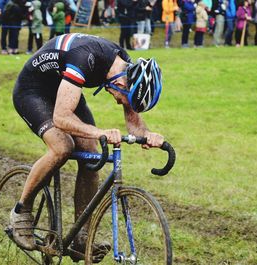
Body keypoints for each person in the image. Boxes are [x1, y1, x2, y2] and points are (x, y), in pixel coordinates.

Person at [10, 33, 164, 262]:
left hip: (67, 87)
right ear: (121, 84)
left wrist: (149, 136)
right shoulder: (86, 58)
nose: (120, 102)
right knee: (62, 147)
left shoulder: (125, 67)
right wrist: (98, 131)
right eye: (124, 99)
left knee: (92, 154)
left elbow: (134, 124)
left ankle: (81, 238)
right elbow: (61, 117)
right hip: (34, 91)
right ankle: (21, 212)